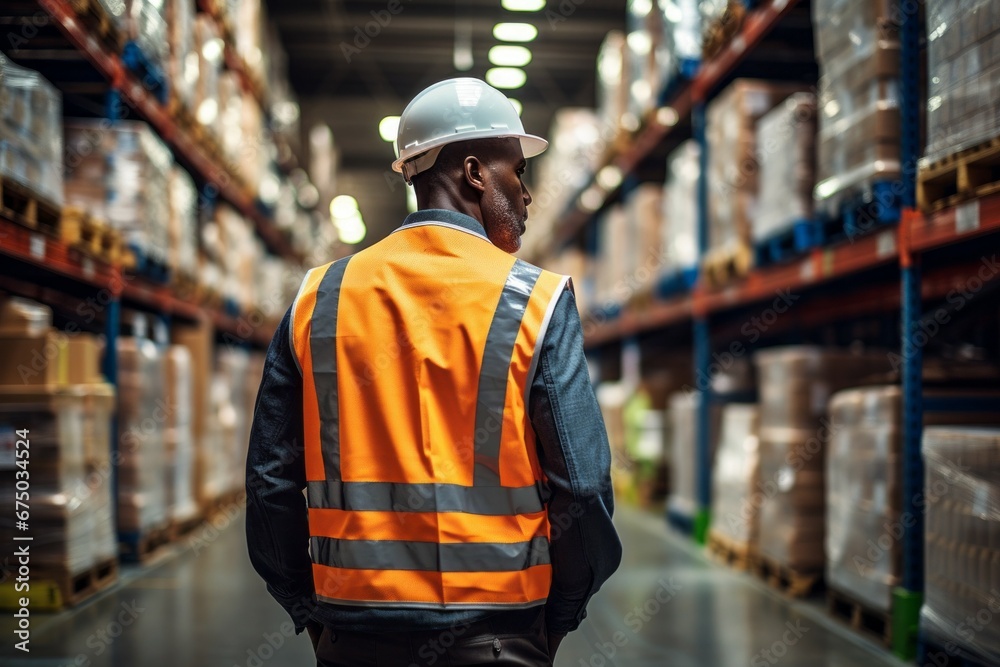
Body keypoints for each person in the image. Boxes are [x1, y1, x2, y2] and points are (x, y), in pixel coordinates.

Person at [246, 77, 621, 667]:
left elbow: (270, 483)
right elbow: (585, 488)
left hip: (352, 635)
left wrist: (310, 613)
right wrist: (558, 617)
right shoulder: (536, 300)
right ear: (473, 173)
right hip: (500, 635)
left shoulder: (319, 298)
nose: (526, 196)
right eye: (516, 172)